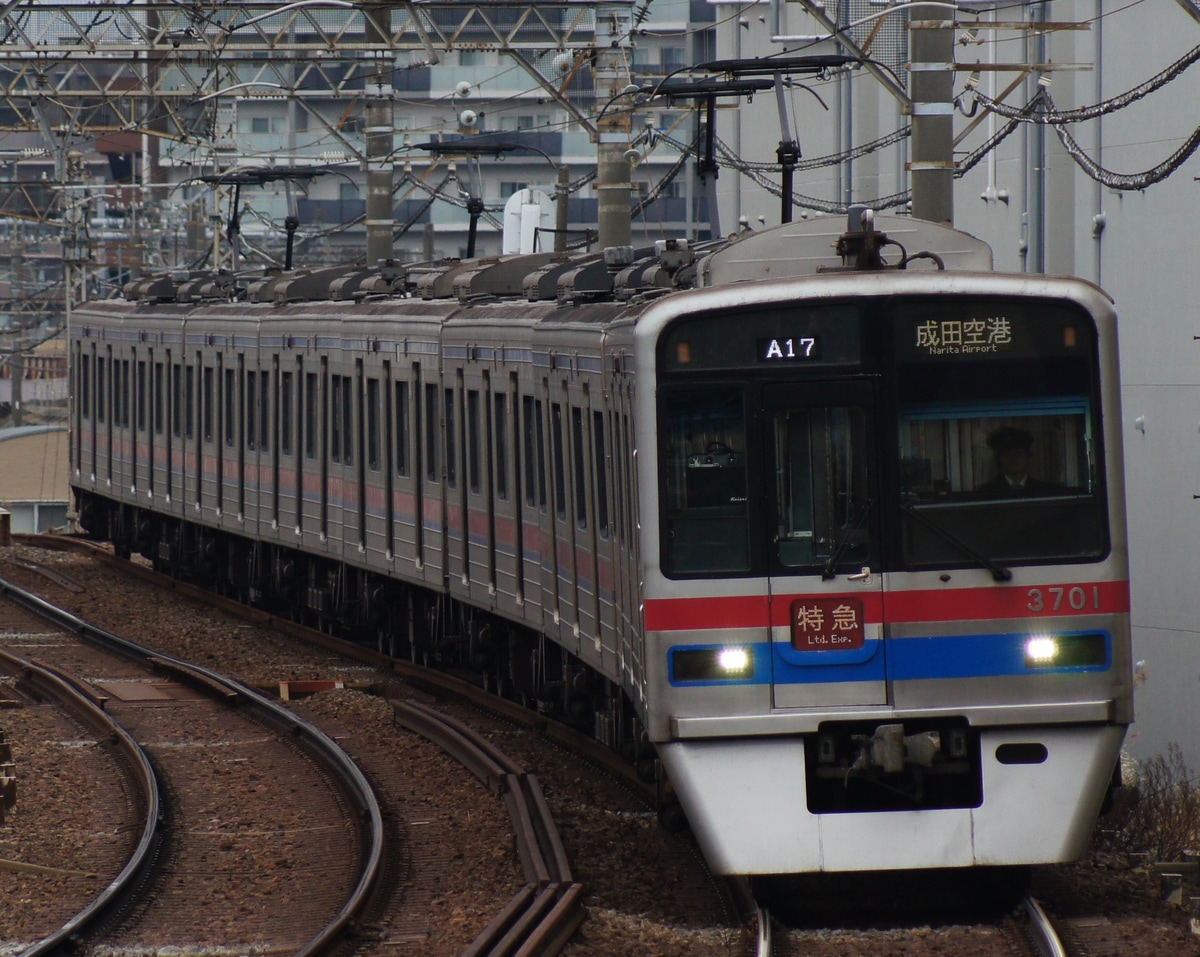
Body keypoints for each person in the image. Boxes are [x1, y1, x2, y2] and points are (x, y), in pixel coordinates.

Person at [978, 426, 1060, 496]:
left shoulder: (1045, 491)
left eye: (1018, 453)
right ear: (998, 459)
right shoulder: (986, 493)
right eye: (1006, 454)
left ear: (1028, 457)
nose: (1013, 458)